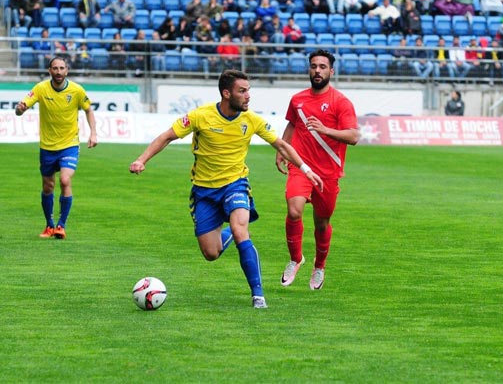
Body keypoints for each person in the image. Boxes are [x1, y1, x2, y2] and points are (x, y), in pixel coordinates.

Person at [129, 70, 323, 309]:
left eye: (248, 90)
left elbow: (281, 145)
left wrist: (305, 169)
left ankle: (258, 295)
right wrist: (142, 160)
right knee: (211, 253)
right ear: (226, 93)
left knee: (241, 228)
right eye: (242, 91)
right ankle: (229, 233)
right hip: (204, 191)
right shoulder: (201, 116)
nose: (248, 96)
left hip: (235, 183)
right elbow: (167, 136)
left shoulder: (251, 120)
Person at [276, 49, 359, 290]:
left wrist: (325, 130)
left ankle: (319, 265)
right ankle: (295, 259)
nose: (317, 71)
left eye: (323, 67)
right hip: (301, 166)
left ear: (331, 71)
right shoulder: (298, 99)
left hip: (328, 173)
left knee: (321, 223)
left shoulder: (341, 102)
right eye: (314, 66)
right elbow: (293, 124)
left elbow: (353, 136)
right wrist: (282, 149)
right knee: (294, 211)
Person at [15, 56, 98, 239]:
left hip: (69, 145)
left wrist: (93, 133)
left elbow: (88, 110)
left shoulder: (76, 90)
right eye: (55, 68)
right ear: (49, 70)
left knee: (65, 180)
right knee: (48, 186)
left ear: (67, 70)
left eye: (62, 68)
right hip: (47, 146)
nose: (58, 72)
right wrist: (20, 109)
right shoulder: (41, 88)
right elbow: (21, 108)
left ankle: (61, 225)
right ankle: (49, 226)